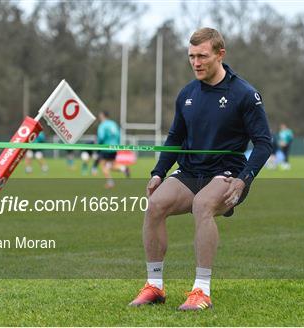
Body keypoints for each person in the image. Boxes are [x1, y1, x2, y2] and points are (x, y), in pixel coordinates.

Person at [128, 28, 272, 311]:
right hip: (191, 171)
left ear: (220, 54)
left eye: (202, 56)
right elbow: (175, 138)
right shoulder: (187, 94)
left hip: (227, 173)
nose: (196, 62)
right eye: (191, 56)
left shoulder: (245, 94)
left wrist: (244, 180)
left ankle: (201, 290)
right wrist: (158, 172)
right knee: (155, 205)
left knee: (202, 204)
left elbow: (264, 144)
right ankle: (154, 286)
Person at [97, 111, 130, 188]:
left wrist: (98, 146)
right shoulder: (113, 124)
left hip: (106, 147)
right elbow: (118, 135)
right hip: (114, 147)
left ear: (103, 116)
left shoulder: (102, 125)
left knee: (103, 166)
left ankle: (110, 182)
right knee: (112, 165)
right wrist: (117, 145)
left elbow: (101, 137)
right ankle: (123, 168)